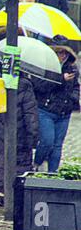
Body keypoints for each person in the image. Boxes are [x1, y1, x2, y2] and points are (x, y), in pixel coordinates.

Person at [0, 73, 39, 206]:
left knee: (0, 156)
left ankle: (0, 191)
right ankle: (17, 190)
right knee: (20, 160)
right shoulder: (26, 86)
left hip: (0, 127)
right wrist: (33, 136)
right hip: (21, 130)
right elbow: (30, 114)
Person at [33, 43, 80, 172]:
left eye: (64, 53)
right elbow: (39, 86)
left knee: (57, 145)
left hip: (64, 112)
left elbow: (76, 86)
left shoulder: (71, 68)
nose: (62, 56)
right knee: (47, 141)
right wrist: (61, 79)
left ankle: (52, 173)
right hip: (46, 110)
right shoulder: (45, 66)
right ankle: (36, 163)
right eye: (59, 53)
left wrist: (74, 97)